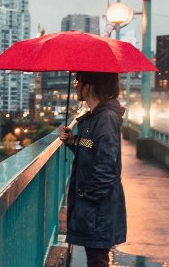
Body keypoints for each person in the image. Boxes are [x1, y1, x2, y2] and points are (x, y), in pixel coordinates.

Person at [58, 72, 127, 267]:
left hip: (97, 207)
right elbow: (93, 148)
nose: (76, 85)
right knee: (95, 259)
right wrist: (73, 141)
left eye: (78, 82)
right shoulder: (94, 117)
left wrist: (88, 197)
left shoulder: (105, 118)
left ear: (88, 87)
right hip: (94, 206)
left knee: (98, 260)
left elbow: (107, 166)